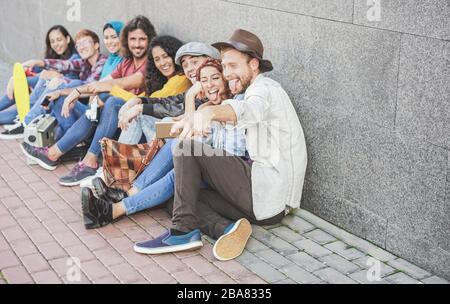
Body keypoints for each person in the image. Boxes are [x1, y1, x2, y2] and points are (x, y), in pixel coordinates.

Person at [132, 29, 308, 262]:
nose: (227, 73)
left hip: (269, 194)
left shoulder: (264, 89)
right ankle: (227, 229)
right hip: (260, 204)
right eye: (225, 67)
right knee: (178, 197)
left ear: (254, 64)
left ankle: (182, 232)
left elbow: (247, 110)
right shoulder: (249, 90)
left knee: (187, 148)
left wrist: (211, 112)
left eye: (233, 66)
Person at [81, 58, 247, 230]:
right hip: (208, 163)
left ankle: (115, 209)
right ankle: (127, 194)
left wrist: (190, 97)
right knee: (176, 145)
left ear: (225, 79)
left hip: (228, 172)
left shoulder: (233, 105)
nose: (209, 84)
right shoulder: (206, 106)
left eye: (215, 78)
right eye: (204, 81)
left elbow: (203, 143)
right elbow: (179, 125)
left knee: (180, 168)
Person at [0, 25, 78, 135]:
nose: (56, 44)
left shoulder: (75, 60)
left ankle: (24, 121)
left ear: (68, 39)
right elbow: (29, 70)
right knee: (27, 82)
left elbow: (64, 74)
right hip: (37, 103)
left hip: (53, 105)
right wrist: (15, 78)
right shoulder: (53, 58)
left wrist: (21, 80)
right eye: (52, 41)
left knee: (28, 86)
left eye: (59, 39)